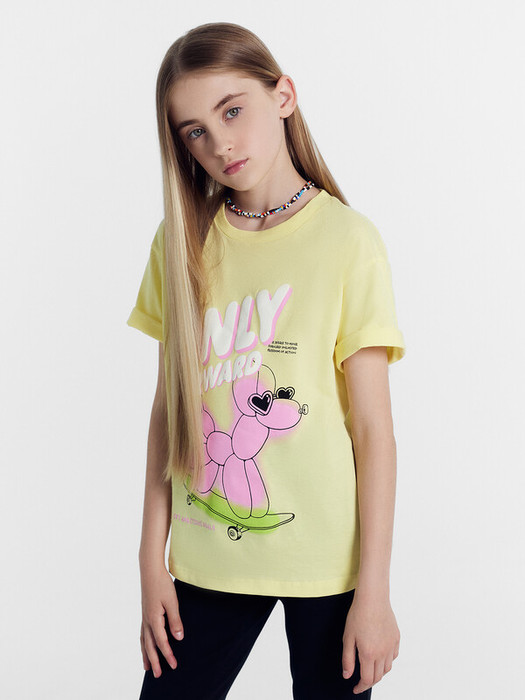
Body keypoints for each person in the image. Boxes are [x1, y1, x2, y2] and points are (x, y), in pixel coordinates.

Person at [127, 21, 406, 700]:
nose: (219, 143)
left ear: (282, 96)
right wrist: (150, 560)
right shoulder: (181, 241)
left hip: (327, 562)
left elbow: (373, 431)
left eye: (232, 111)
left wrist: (374, 592)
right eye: (195, 130)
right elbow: (168, 409)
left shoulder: (347, 240)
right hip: (206, 554)